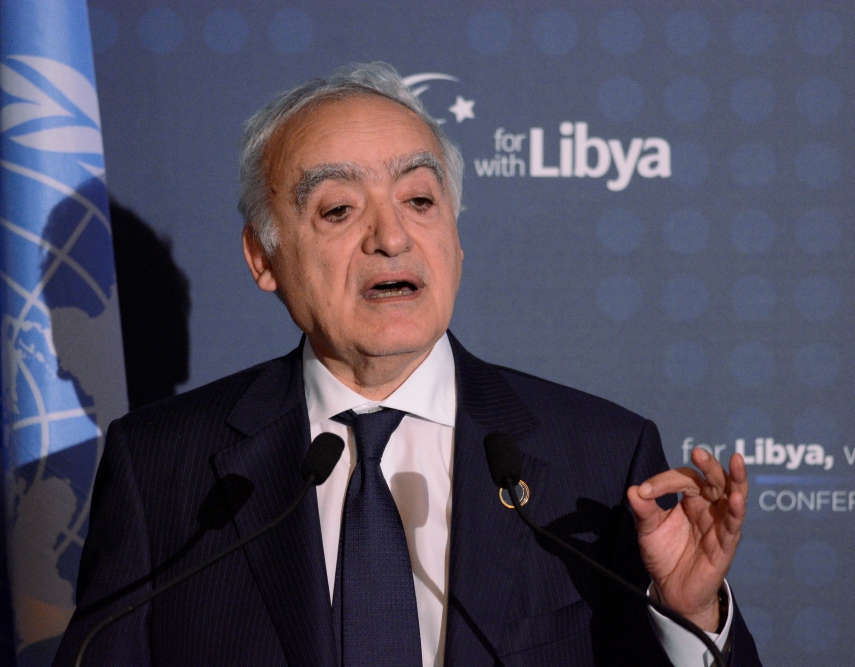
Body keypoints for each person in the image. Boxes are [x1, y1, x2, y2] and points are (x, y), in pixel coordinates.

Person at [53, 62, 760, 667]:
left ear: (454, 238)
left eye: (419, 200)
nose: (391, 236)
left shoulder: (600, 458)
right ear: (263, 257)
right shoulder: (162, 466)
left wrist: (689, 613)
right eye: (337, 210)